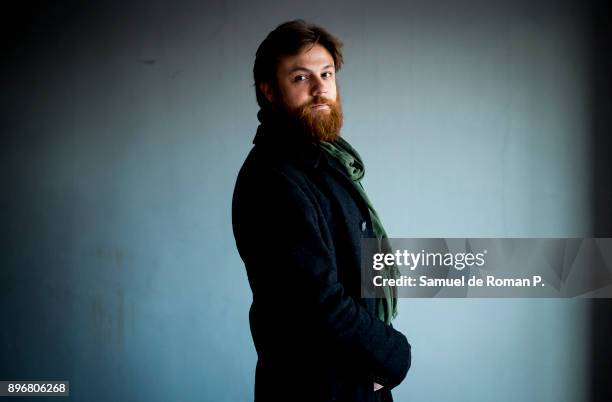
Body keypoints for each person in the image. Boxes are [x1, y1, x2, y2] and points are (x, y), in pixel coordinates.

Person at [232, 20, 411, 402]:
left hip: (352, 378)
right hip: (313, 389)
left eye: (326, 74)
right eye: (300, 77)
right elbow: (315, 304)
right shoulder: (274, 177)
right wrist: (393, 353)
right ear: (269, 91)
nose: (319, 89)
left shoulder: (324, 162)